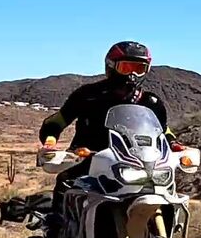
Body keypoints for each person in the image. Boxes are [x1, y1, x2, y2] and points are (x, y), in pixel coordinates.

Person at [37, 41, 172, 157]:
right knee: (66, 182)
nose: (132, 75)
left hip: (135, 166)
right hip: (85, 160)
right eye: (126, 68)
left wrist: (175, 145)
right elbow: (55, 123)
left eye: (139, 69)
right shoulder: (87, 95)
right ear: (111, 66)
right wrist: (50, 143)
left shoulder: (151, 102)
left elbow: (164, 131)